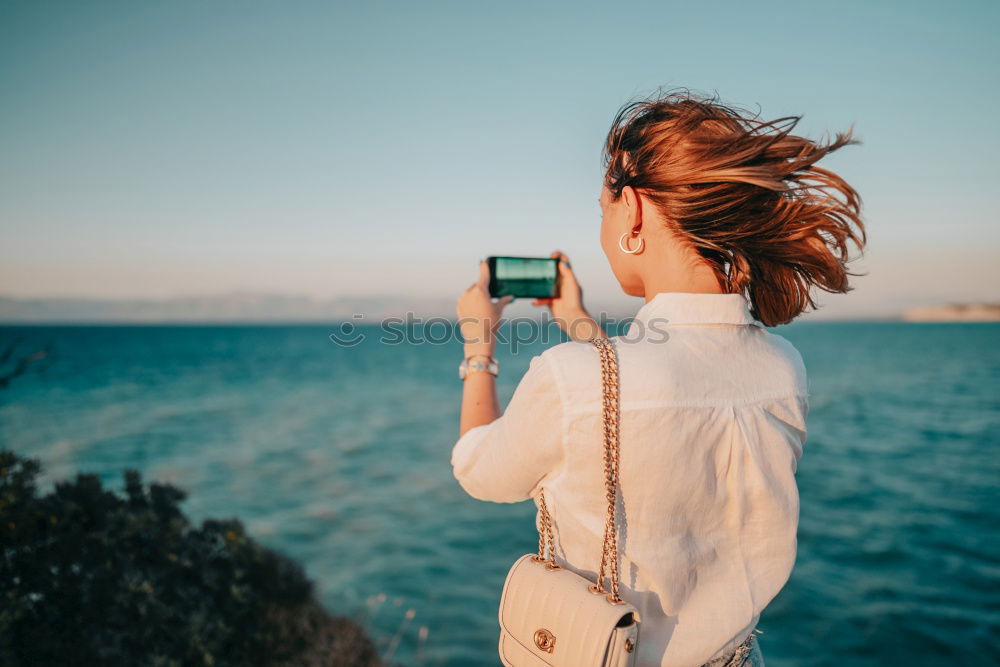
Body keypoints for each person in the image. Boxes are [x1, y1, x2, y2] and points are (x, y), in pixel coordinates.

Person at [451, 90, 865, 667]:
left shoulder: (571, 381)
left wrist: (479, 348)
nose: (601, 229)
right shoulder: (783, 367)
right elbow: (650, 390)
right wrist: (576, 322)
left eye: (603, 210)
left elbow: (477, 469)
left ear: (635, 211)